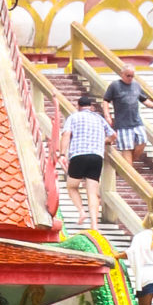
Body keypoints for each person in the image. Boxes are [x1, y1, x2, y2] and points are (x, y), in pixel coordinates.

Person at [63, 93, 109, 229]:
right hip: (96, 156)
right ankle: (94, 224)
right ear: (91, 107)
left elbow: (66, 134)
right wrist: (104, 141)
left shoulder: (73, 117)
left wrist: (61, 153)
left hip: (78, 155)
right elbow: (113, 135)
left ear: (78, 106)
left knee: (72, 186)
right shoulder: (99, 118)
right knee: (92, 192)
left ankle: (82, 211)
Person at [103, 63, 146, 158]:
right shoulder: (115, 85)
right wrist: (107, 115)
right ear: (122, 74)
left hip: (136, 122)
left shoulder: (136, 85)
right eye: (128, 76)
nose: (130, 78)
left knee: (143, 141)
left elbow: (144, 100)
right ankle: (128, 167)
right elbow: (106, 100)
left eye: (132, 76)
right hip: (122, 124)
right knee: (127, 149)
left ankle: (129, 165)